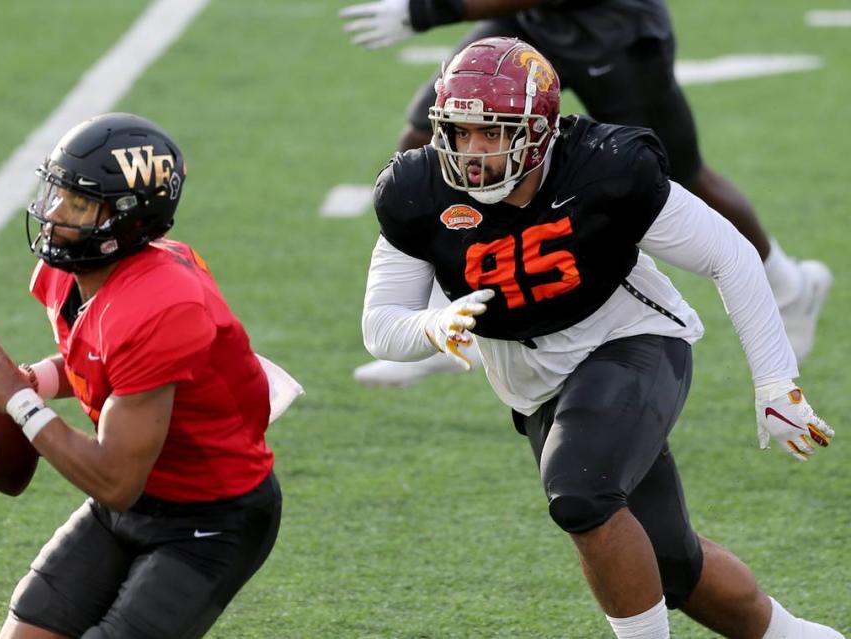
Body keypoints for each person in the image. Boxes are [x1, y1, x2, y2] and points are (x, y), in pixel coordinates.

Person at [360, 38, 844, 638]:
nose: (473, 152)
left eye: (493, 133)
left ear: (539, 132)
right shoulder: (416, 190)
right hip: (535, 385)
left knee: (580, 495)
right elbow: (381, 326)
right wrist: (430, 326)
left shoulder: (605, 167)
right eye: (461, 131)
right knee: (670, 562)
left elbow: (729, 254)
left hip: (628, 338)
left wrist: (775, 383)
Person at [0, 113, 301, 639]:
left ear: (130, 220)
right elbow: (98, 361)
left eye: (79, 204)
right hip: (132, 501)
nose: (56, 213)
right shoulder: (64, 275)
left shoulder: (163, 306)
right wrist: (30, 379)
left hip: (209, 517)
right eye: (56, 193)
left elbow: (116, 479)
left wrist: (21, 405)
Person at [342, 0, 833, 386]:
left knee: (679, 176)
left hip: (609, 23)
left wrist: (428, 9)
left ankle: (790, 288)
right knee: (434, 140)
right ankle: (449, 323)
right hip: (535, 18)